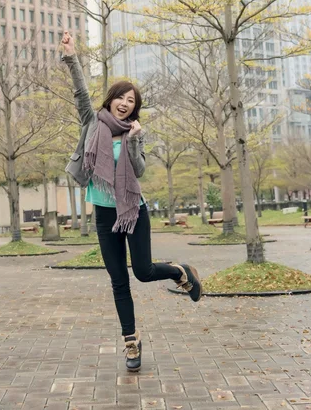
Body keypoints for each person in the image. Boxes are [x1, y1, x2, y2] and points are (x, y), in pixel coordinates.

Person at [60, 32, 202, 372]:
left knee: (141, 271)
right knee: (118, 280)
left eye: (131, 101)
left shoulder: (133, 133)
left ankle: (179, 271)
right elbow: (81, 92)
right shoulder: (93, 123)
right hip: (104, 215)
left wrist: (135, 141)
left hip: (133, 211)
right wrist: (71, 57)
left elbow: (138, 170)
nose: (125, 103)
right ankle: (131, 342)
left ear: (134, 109)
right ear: (111, 100)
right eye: (121, 98)